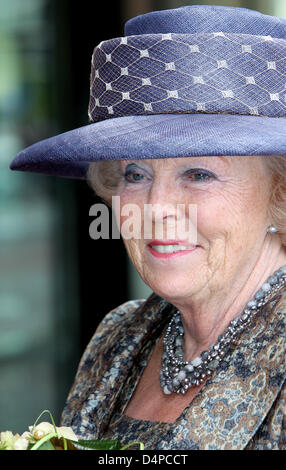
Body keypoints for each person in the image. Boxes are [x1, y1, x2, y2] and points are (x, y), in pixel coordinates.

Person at [10, 5, 286, 450]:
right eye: (136, 174)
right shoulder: (119, 334)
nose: (156, 208)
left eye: (198, 174)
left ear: (281, 194)